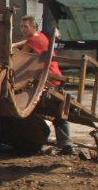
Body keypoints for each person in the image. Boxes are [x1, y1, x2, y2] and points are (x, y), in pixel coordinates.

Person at [18, 15, 73, 155]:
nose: (22, 29)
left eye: (25, 26)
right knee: (58, 112)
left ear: (33, 26)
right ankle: (65, 144)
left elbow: (19, 56)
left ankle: (64, 144)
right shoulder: (41, 37)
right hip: (53, 77)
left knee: (56, 110)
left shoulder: (33, 41)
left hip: (50, 80)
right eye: (21, 26)